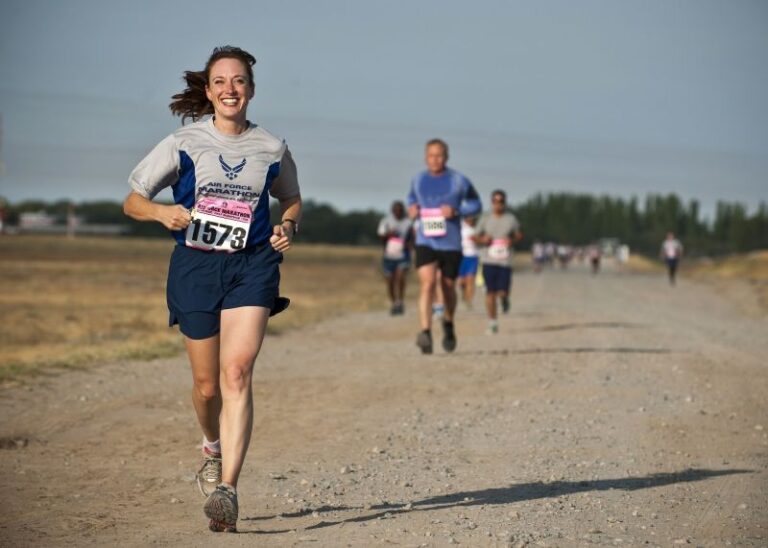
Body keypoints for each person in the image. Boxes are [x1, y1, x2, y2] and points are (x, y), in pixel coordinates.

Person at [123, 46, 302, 533]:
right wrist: (162, 213)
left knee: (237, 372)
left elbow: (291, 197)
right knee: (207, 387)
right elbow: (133, 200)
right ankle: (211, 446)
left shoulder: (272, 146)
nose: (230, 89)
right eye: (220, 81)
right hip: (196, 268)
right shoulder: (183, 142)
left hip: (253, 265)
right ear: (208, 90)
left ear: (251, 89)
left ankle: (228, 489)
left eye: (239, 81)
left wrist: (289, 224)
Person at [407, 138, 481, 354]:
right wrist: (412, 209)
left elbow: (476, 204)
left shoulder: (459, 180)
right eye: (431, 155)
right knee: (428, 283)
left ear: (446, 157)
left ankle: (448, 323)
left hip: (450, 243)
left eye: (439, 155)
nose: (435, 159)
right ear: (425, 157)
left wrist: (457, 211)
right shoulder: (418, 180)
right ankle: (425, 332)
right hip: (425, 240)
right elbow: (411, 199)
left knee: (448, 287)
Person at [475, 190, 522, 334]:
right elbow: (475, 236)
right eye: (495, 201)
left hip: (505, 261)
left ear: (505, 202)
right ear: (491, 202)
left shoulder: (511, 219)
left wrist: (512, 240)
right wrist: (483, 240)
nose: (498, 204)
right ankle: (492, 322)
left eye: (501, 201)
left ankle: (505, 299)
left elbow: (519, 235)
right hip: (488, 259)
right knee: (490, 293)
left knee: (502, 292)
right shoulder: (485, 218)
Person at [377, 200, 413, 315]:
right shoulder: (386, 221)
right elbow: (380, 236)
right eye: (396, 210)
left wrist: (410, 245)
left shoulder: (408, 222)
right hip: (389, 255)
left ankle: (400, 301)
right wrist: (389, 234)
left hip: (403, 255)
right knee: (390, 281)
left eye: (400, 210)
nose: (398, 212)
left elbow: (414, 236)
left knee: (400, 277)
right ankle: (394, 303)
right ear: (392, 211)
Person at [458, 216, 480, 308]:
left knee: (471, 279)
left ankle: (469, 300)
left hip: (473, 256)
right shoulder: (460, 225)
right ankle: (464, 293)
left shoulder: (478, 227)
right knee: (461, 282)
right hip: (461, 256)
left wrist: (477, 240)